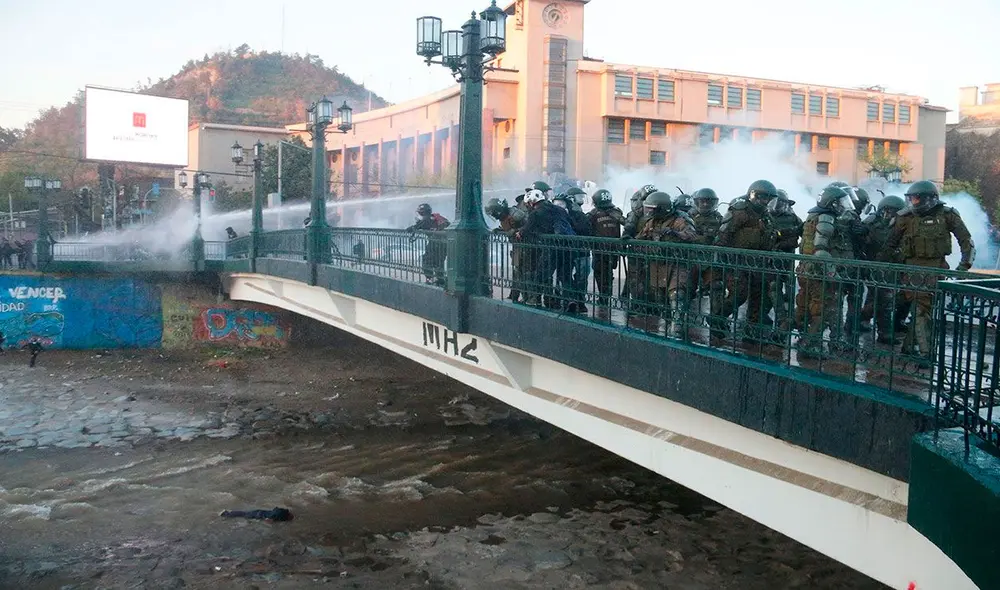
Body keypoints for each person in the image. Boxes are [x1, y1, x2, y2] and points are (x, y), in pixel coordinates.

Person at [884, 180, 974, 363]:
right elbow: (889, 245)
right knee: (920, 311)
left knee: (923, 311)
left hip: (936, 270)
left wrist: (963, 267)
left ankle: (908, 348)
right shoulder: (905, 217)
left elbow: (967, 242)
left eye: (917, 199)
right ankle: (926, 354)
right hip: (912, 272)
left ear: (929, 199)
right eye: (911, 199)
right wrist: (895, 266)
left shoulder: (947, 215)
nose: (913, 203)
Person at [710, 179, 778, 342]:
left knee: (759, 296)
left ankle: (752, 330)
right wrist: (721, 260)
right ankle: (717, 319)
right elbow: (723, 235)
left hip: (757, 263)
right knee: (739, 294)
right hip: (736, 262)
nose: (765, 201)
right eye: (762, 197)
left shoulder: (766, 216)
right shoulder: (740, 211)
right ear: (753, 195)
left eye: (768, 198)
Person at [795, 185, 857, 359]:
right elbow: (820, 248)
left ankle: (834, 342)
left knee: (825, 307)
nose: (844, 205)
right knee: (823, 310)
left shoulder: (817, 215)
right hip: (819, 273)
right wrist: (832, 274)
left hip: (811, 270)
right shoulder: (826, 217)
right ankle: (809, 345)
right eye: (841, 202)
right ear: (832, 203)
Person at [632, 191, 697, 337]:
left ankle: (677, 326)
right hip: (658, 263)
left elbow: (692, 235)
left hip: (678, 262)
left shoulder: (680, 219)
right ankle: (666, 322)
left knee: (677, 293)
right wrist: (630, 240)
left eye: (651, 209)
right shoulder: (652, 222)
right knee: (660, 296)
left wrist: (675, 233)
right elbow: (641, 237)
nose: (648, 212)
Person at [516, 189, 575, 307]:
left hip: (551, 246)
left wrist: (520, 233)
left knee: (542, 273)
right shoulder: (560, 209)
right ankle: (570, 300)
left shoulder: (536, 213)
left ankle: (535, 298)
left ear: (532, 202)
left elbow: (528, 228)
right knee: (565, 276)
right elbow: (571, 223)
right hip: (568, 246)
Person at [865, 195, 908, 343]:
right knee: (884, 301)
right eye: (887, 211)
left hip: (892, 268)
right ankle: (884, 333)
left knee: (879, 300)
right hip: (875, 267)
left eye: (893, 212)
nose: (888, 215)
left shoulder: (902, 225)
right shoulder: (872, 223)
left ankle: (862, 320)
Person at [765, 189, 803, 339]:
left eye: (781, 202)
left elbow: (802, 231)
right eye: (776, 202)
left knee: (789, 290)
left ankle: (789, 320)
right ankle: (781, 318)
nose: (778, 205)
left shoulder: (792, 217)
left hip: (787, 259)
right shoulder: (765, 216)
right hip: (770, 260)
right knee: (773, 288)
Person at [485, 197, 528, 302]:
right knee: (518, 273)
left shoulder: (515, 214)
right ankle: (515, 296)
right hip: (519, 246)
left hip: (525, 246)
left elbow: (527, 226)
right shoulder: (506, 216)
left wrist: (514, 232)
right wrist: (500, 230)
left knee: (523, 273)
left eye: (494, 213)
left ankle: (527, 297)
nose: (494, 216)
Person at [586, 189, 625, 303]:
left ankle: (604, 297)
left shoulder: (593, 214)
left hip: (599, 249)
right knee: (608, 273)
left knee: (600, 272)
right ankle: (606, 295)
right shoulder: (616, 212)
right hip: (612, 249)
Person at [622, 184, 658, 304]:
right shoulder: (636, 213)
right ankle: (638, 303)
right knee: (636, 279)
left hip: (653, 251)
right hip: (637, 250)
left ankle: (650, 303)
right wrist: (625, 238)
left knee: (652, 278)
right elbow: (629, 226)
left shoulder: (658, 212)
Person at [406, 203, 450, 287]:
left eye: (419, 213)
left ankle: (430, 279)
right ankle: (440, 280)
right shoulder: (438, 218)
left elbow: (413, 228)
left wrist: (410, 229)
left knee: (426, 261)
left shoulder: (426, 219)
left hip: (435, 243)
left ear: (422, 213)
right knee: (439, 263)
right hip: (444, 244)